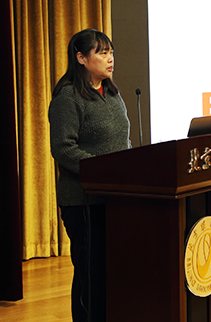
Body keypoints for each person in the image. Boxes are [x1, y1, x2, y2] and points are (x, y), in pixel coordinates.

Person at [48, 29, 131, 322]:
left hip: (113, 197)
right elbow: (63, 148)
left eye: (111, 52)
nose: (110, 59)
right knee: (90, 273)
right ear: (81, 58)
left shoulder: (112, 93)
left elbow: (121, 141)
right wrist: (103, 171)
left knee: (109, 271)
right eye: (102, 53)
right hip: (83, 201)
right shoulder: (68, 97)